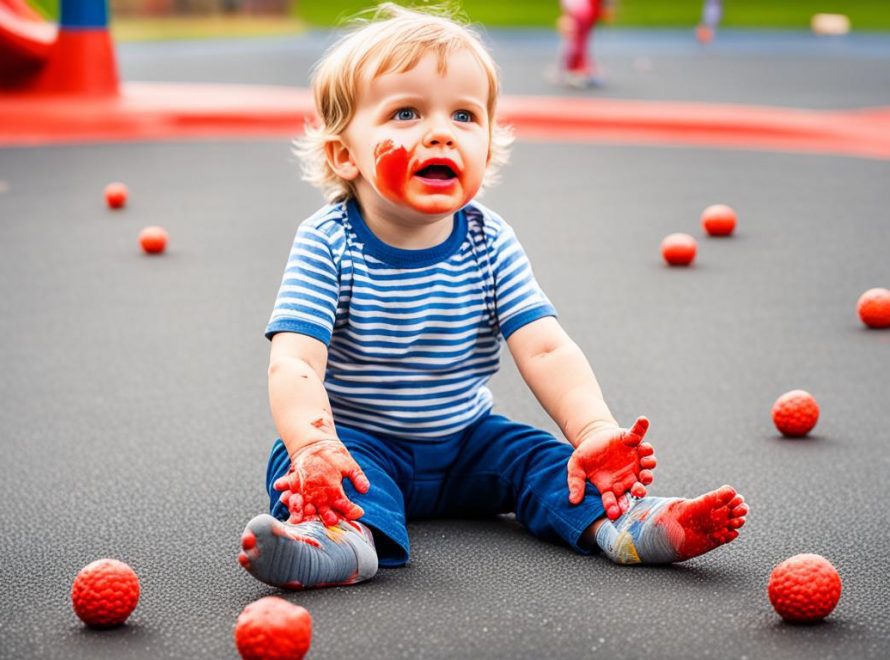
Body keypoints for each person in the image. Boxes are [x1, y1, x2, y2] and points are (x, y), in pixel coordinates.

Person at [238, 3, 748, 590]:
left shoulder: (488, 238)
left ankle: (633, 524)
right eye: (406, 113)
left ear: (488, 143)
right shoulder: (327, 242)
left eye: (464, 115)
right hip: (358, 443)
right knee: (295, 464)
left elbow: (546, 349)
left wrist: (593, 431)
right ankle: (337, 543)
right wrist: (314, 442)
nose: (440, 131)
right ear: (343, 155)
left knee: (547, 462)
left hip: (468, 442)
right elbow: (296, 359)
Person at [557, 0, 608, 88]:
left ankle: (578, 69)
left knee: (579, 42)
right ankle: (574, 71)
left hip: (583, 9)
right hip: (581, 10)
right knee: (577, 41)